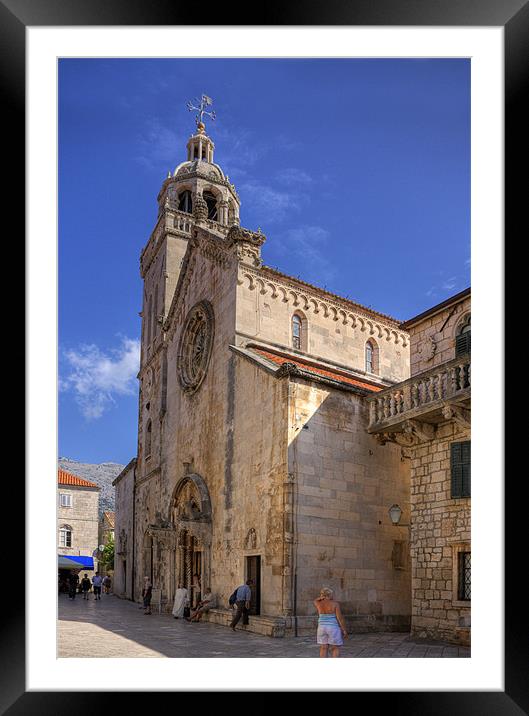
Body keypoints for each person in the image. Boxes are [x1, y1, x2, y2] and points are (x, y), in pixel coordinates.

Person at [313, 587, 347, 658]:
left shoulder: (318, 603)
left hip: (321, 628)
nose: (333, 596)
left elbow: (315, 600)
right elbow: (340, 618)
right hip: (333, 628)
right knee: (335, 648)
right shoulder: (335, 604)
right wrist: (344, 630)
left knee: (323, 647)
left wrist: (321, 597)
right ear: (330, 595)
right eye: (332, 594)